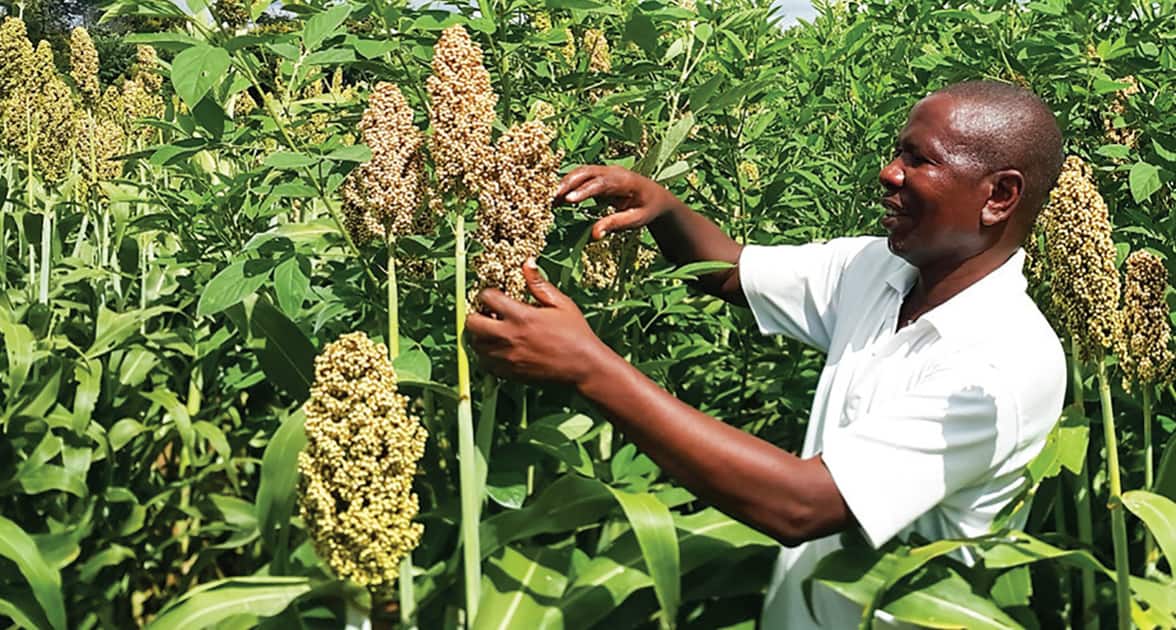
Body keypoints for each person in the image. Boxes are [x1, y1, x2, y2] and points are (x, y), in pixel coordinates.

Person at [464, 80, 1067, 627]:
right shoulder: (883, 268)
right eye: (896, 152)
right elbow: (732, 273)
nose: (888, 172)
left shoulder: (1002, 364)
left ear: (1000, 196)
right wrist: (660, 206)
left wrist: (587, 367)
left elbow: (803, 505)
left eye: (918, 159)